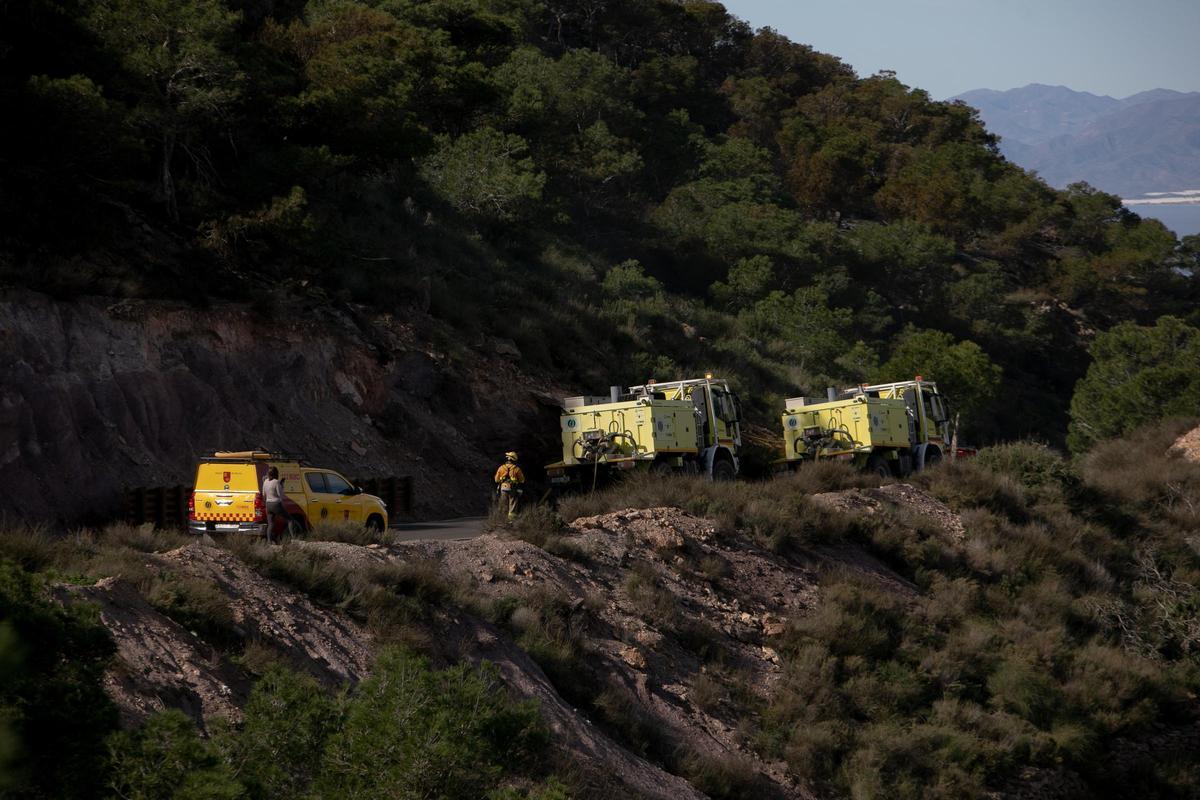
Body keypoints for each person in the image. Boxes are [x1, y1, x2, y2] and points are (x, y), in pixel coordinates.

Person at [261, 466, 291, 543]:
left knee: (270, 523)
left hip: (268, 504)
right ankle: (295, 538)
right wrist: (282, 486)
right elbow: (280, 495)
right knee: (290, 520)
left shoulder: (265, 482)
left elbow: (264, 494)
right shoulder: (276, 482)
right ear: (276, 473)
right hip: (276, 504)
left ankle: (269, 541)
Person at [494, 451, 526, 520]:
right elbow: (522, 480)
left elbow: (496, 480)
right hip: (513, 489)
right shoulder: (517, 469)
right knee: (513, 504)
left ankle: (503, 519)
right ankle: (511, 520)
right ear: (514, 460)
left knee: (503, 504)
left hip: (503, 488)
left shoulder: (501, 468)